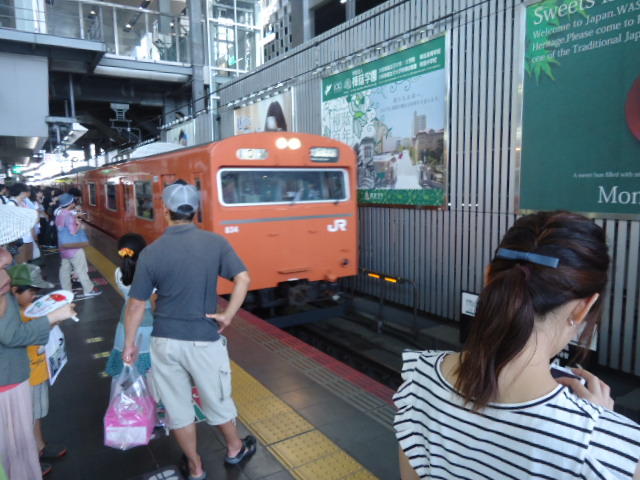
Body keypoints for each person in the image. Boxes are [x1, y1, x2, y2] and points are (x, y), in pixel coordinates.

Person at [394, 211, 640, 480]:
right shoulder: (614, 454)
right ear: (584, 307)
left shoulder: (419, 378)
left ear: (489, 278)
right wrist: (602, 425)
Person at [123, 181, 254, 480]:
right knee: (216, 399)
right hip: (203, 340)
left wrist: (130, 343)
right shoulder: (215, 243)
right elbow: (243, 279)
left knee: (178, 409)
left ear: (165, 210)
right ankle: (235, 448)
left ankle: (195, 467)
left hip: (164, 341)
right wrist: (228, 315)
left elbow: (136, 305)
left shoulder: (151, 252)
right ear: (196, 210)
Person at [0, 205, 77, 480]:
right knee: (15, 448)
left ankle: (37, 449)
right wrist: (53, 317)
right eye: (1, 248)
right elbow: (11, 335)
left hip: (11, 378)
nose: (8, 256)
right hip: (7, 381)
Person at [8, 264, 67, 477]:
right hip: (25, 377)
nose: (35, 296)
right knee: (25, 419)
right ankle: (29, 460)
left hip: (38, 372)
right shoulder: (12, 315)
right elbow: (23, 335)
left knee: (36, 414)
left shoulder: (29, 310)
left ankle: (39, 446)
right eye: (31, 292)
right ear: (14, 290)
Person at [105, 233, 155, 377]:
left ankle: (130, 388)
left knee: (126, 357)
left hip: (125, 319)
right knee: (148, 359)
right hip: (147, 321)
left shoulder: (118, 273)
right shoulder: (150, 273)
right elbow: (153, 300)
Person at [55, 193, 100, 299]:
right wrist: (79, 224)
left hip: (63, 247)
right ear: (71, 203)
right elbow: (73, 232)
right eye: (73, 202)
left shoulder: (59, 214)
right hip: (73, 248)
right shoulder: (69, 216)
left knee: (65, 269)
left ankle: (66, 290)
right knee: (81, 268)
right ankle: (89, 290)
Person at [8, 183, 36, 264]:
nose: (27, 193)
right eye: (26, 191)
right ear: (21, 192)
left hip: (28, 236)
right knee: (21, 262)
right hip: (19, 238)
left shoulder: (23, 202)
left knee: (28, 259)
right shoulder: (11, 204)